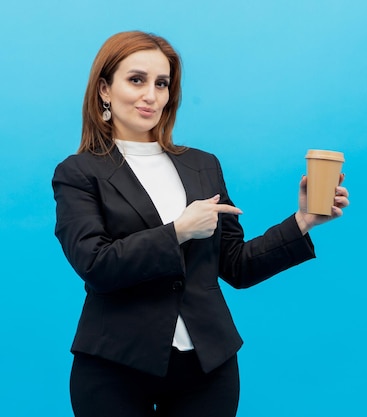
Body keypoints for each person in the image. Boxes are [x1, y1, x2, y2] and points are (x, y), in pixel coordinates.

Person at [52, 31, 349, 417]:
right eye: (136, 80)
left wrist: (303, 221)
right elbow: (95, 264)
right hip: (114, 365)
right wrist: (177, 230)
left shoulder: (202, 164)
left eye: (162, 84)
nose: (151, 95)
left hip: (208, 364)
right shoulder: (79, 172)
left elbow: (237, 266)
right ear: (105, 89)